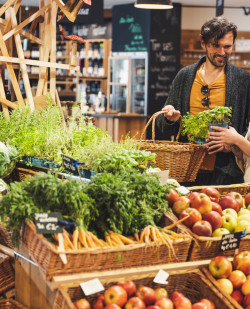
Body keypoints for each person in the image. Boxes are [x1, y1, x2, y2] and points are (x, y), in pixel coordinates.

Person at [155, 16, 250, 186]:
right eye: (216, 46)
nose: (222, 52)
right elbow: (162, 125)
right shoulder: (185, 77)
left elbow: (247, 131)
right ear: (203, 44)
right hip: (187, 170)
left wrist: (233, 143)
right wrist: (169, 118)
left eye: (227, 46)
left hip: (226, 173)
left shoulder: (243, 81)